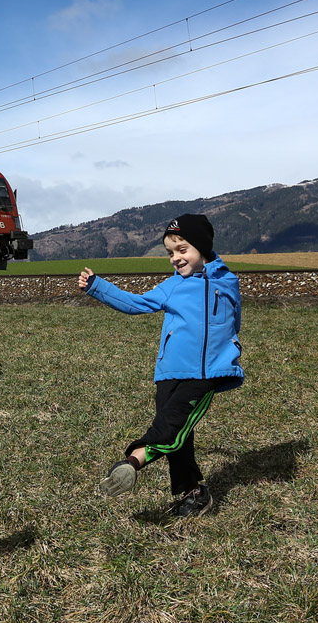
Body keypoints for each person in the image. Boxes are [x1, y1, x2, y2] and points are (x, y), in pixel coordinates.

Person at [78, 213, 243, 518]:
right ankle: (195, 493)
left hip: (208, 373)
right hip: (169, 372)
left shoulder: (228, 282)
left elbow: (235, 321)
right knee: (179, 434)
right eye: (170, 253)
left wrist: (230, 350)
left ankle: (132, 461)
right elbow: (135, 303)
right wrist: (97, 287)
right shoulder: (171, 287)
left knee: (171, 425)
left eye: (182, 250)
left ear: (202, 248)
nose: (175, 259)